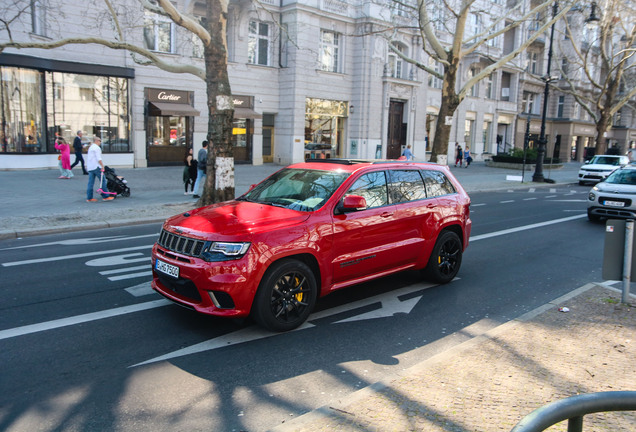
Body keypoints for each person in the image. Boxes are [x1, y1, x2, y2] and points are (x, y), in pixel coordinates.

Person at [86, 137, 114, 202]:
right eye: (100, 141)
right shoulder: (97, 148)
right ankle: (105, 196)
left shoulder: (91, 147)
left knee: (90, 183)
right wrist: (102, 166)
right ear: (97, 141)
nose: (100, 142)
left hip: (90, 167)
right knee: (103, 181)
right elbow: (98, 158)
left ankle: (89, 197)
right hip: (96, 166)